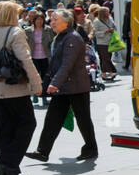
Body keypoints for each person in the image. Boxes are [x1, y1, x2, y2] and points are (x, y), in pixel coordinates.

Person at [0, 0, 44, 175]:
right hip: (15, 89)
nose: (20, 18)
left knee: (5, 129)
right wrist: (36, 83)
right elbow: (26, 60)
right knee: (28, 124)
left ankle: (8, 170)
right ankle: (7, 161)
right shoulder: (16, 33)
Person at [27, 9, 98, 163]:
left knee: (83, 119)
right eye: (51, 19)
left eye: (55, 20)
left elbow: (67, 65)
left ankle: (91, 149)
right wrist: (47, 84)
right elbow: (55, 64)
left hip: (76, 87)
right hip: (64, 87)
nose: (51, 22)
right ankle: (42, 151)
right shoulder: (61, 37)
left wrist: (54, 84)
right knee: (52, 118)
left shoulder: (72, 38)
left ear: (66, 21)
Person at [22, 10, 55, 106]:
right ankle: (35, 95)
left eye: (41, 19)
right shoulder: (28, 31)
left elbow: (53, 41)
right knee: (34, 77)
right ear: (34, 20)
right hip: (33, 57)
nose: (39, 21)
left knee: (45, 77)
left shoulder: (48, 30)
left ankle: (44, 97)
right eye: (38, 20)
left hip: (45, 56)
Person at [91, 6, 117, 81]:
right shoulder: (96, 21)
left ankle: (103, 74)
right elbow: (95, 33)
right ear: (102, 13)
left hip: (110, 41)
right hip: (101, 43)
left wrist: (113, 29)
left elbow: (115, 27)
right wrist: (104, 32)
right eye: (106, 12)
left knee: (104, 58)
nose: (108, 13)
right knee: (106, 58)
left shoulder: (110, 19)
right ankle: (111, 72)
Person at [121, 0, 133, 72]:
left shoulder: (127, 14)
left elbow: (125, 26)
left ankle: (127, 65)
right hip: (132, 34)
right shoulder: (132, 14)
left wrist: (124, 35)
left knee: (129, 50)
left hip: (129, 35)